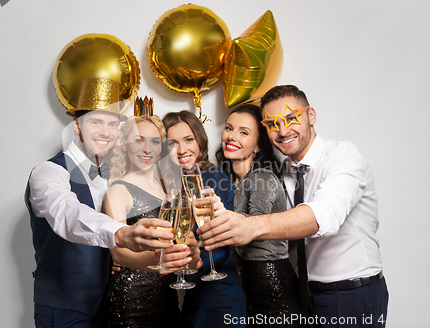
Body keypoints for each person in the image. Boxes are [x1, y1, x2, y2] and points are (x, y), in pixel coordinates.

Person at [198, 85, 388, 328]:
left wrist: (248, 226)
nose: (283, 130)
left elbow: (322, 216)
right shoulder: (283, 173)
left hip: (351, 292)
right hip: (304, 294)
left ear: (311, 116)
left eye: (291, 119)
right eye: (272, 124)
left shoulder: (344, 156)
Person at [25, 79, 179, 328]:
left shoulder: (112, 177)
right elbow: (68, 214)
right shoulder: (49, 172)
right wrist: (119, 234)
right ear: (76, 123)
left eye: (112, 124)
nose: (105, 132)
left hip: (107, 305)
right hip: (64, 307)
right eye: (96, 122)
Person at [102, 113, 201, 327]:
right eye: (139, 140)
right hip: (132, 306)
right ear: (124, 144)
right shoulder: (118, 190)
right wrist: (161, 259)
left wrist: (192, 255)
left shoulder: (169, 192)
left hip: (168, 303)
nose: (147, 149)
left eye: (154, 141)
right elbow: (118, 251)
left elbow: (188, 256)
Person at [216, 104, 306, 327]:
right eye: (229, 128)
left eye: (244, 132)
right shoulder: (232, 183)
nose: (232, 136)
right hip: (250, 282)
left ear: (257, 146)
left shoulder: (261, 178)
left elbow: (253, 230)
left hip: (272, 283)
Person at [163, 110, 247, 328]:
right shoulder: (175, 182)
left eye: (188, 140)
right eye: (172, 143)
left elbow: (219, 249)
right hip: (193, 295)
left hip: (219, 295)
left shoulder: (212, 177)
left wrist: (189, 260)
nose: (182, 150)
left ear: (200, 141)